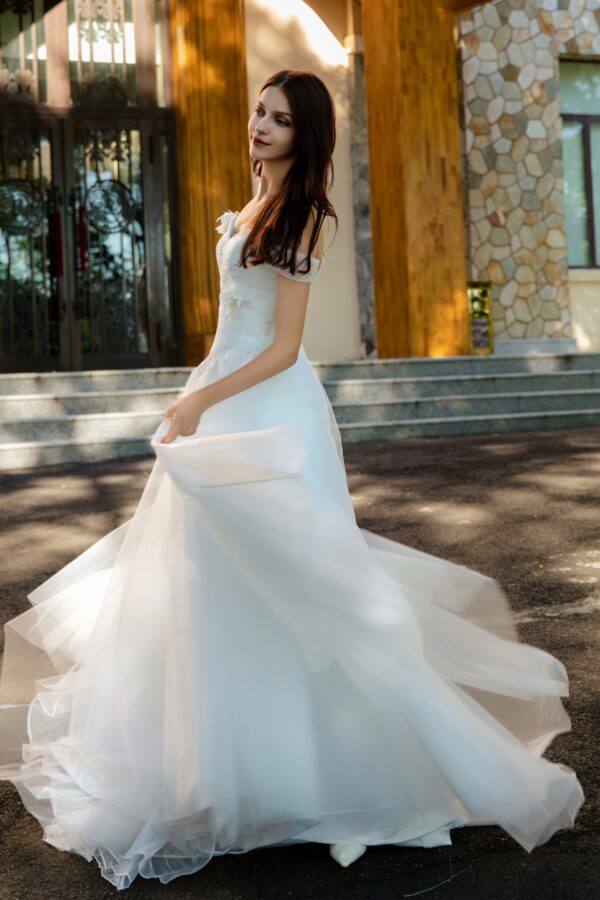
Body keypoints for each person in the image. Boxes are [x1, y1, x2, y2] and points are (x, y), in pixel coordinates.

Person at [0, 69, 584, 891]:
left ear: (305, 134)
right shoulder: (250, 209)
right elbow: (232, 328)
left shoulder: (304, 213)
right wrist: (191, 390)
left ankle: (355, 785)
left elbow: (280, 348)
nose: (260, 126)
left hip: (273, 413)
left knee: (308, 587)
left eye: (278, 119)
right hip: (227, 397)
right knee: (210, 585)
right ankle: (231, 775)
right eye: (257, 113)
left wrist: (205, 398)